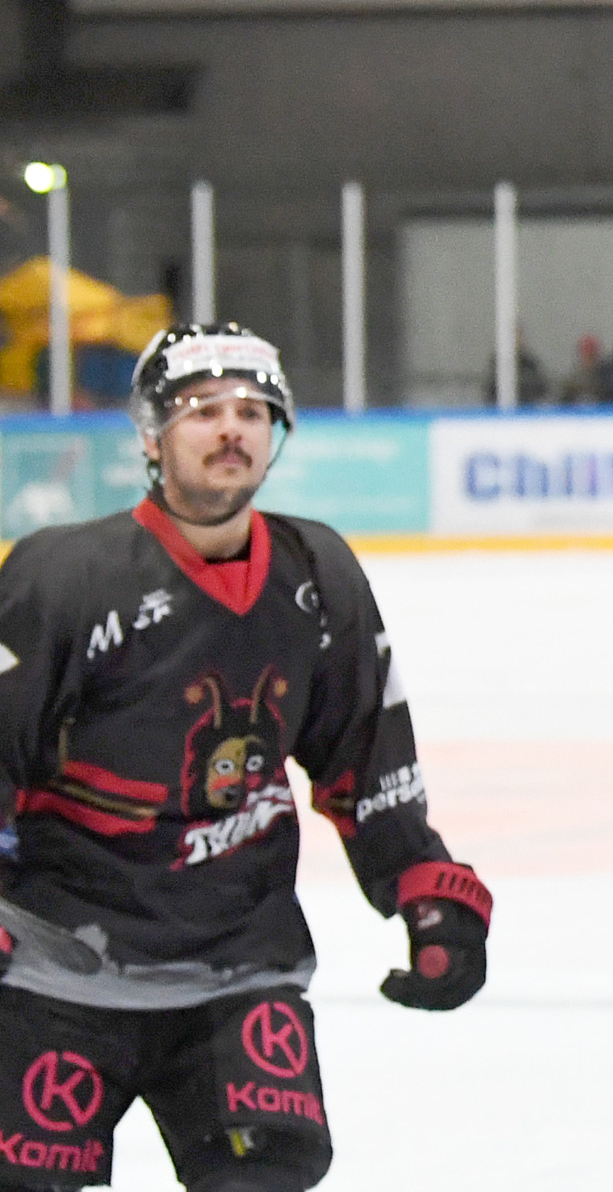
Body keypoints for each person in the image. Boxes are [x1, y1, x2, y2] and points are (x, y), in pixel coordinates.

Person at [0, 323, 491, 1192]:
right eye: (202, 409)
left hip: (240, 967)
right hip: (53, 979)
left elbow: (365, 757)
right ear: (152, 437)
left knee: (269, 1174)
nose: (232, 427)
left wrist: (422, 884)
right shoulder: (64, 576)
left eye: (253, 411)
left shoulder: (318, 572)